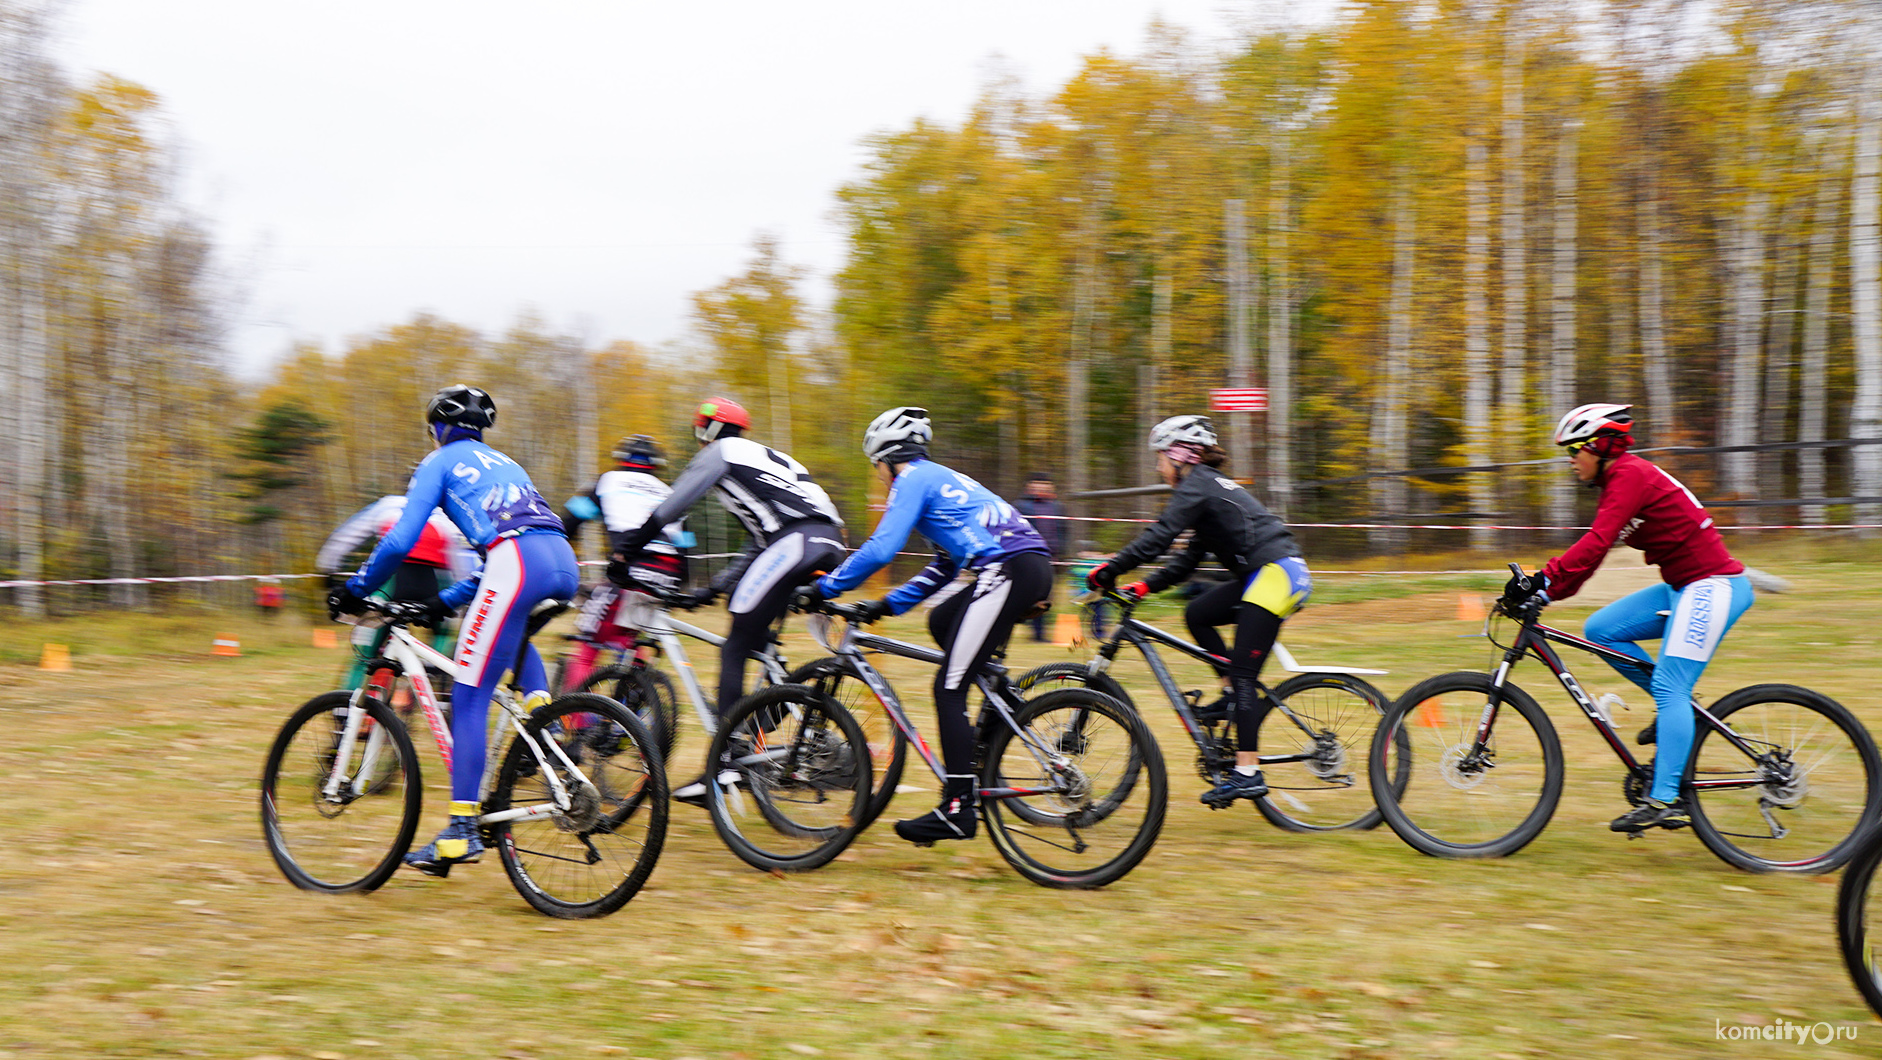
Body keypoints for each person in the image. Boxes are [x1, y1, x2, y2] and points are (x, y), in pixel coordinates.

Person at [328, 385, 580, 876]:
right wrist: (442, 601)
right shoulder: (505, 462)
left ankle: (461, 831)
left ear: (437, 428)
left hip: (517, 563)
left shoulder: (438, 462)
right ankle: (542, 725)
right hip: (562, 561)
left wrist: (358, 588)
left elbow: (401, 538)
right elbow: (497, 555)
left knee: (468, 696)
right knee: (515, 632)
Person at [1500, 403, 1753, 834]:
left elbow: (1596, 543)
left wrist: (1543, 580)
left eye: (1574, 452)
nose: (1571, 462)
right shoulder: (1622, 481)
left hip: (1712, 586)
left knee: (1671, 685)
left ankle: (1665, 799)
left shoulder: (1628, 476)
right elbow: (1593, 553)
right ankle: (1680, 713)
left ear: (1598, 447)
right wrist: (1548, 588)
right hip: (1685, 587)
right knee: (1601, 630)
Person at [812, 407, 1053, 845]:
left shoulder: (912, 480)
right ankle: (995, 705)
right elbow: (942, 568)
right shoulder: (938, 480)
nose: (880, 477)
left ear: (886, 459)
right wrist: (884, 605)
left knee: (947, 687)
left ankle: (958, 807)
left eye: (877, 468)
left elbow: (882, 548)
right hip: (1023, 566)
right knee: (943, 620)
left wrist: (826, 588)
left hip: (1008, 570)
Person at [611, 397, 845, 804]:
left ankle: (721, 767)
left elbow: (672, 506)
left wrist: (627, 550)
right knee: (751, 629)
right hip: (828, 541)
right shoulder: (766, 460)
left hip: (796, 542)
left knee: (735, 644)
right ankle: (775, 722)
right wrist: (713, 588)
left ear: (708, 428)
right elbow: (759, 543)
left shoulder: (721, 452)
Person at [1085, 414, 1309, 810]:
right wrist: (1144, 585)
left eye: (1159, 458)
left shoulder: (1199, 485)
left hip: (1276, 574)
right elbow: (1186, 561)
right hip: (1267, 573)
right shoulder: (1206, 492)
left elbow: (1158, 535)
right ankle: (1229, 696)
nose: (1158, 467)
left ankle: (1247, 773)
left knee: (1244, 672)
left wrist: (1110, 568)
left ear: (1179, 455)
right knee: (1198, 613)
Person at [557, 435, 689, 693]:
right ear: (656, 465)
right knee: (633, 640)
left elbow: (568, 524)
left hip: (630, 571)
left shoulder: (606, 481)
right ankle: (635, 716)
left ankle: (578, 726)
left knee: (588, 644)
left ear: (621, 460)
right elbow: (685, 545)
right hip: (667, 576)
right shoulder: (668, 491)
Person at [317, 494, 475, 691]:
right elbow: (459, 565)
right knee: (442, 634)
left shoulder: (388, 504)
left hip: (391, 581)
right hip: (435, 582)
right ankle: (428, 678)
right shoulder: (444, 515)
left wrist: (327, 572)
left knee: (365, 651)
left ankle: (345, 710)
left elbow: (345, 538)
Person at [1013, 473, 1066, 641]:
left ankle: (1040, 634)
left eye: (1045, 485)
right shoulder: (1020, 506)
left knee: (1046, 597)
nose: (1041, 489)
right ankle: (1013, 627)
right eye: (1037, 485)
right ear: (1030, 487)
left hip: (1052, 558)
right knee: (1026, 595)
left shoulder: (1057, 507)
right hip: (1029, 556)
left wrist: (1062, 553)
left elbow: (1063, 531)